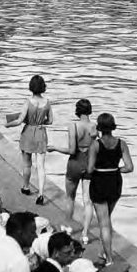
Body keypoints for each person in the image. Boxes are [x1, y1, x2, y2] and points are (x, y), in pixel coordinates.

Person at [87, 113, 134, 265]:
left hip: (99, 182)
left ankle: (109, 259)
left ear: (99, 128)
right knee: (107, 219)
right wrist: (116, 170)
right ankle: (103, 251)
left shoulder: (95, 145)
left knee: (103, 223)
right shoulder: (121, 143)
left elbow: (89, 169)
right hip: (115, 182)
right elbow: (129, 167)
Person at [48, 98, 97, 243]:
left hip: (75, 164)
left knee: (70, 197)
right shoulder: (94, 127)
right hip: (89, 164)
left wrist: (55, 147)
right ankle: (85, 234)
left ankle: (67, 228)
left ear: (77, 111)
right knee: (88, 202)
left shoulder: (73, 126)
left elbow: (71, 150)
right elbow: (96, 149)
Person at [6, 75, 52, 204]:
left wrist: (8, 125)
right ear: (43, 87)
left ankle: (26, 187)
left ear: (31, 87)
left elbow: (19, 120)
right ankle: (41, 194)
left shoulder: (28, 102)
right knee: (41, 166)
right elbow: (51, 120)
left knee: (27, 164)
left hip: (28, 133)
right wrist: (43, 122)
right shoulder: (47, 102)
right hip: (41, 133)